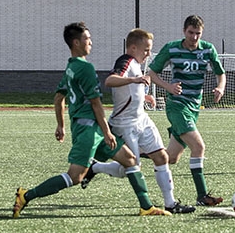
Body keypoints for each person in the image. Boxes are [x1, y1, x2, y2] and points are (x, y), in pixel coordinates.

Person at [13, 22, 170, 217]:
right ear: (76, 42)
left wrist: (61, 125)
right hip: (88, 130)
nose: (91, 42)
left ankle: (146, 207)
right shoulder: (85, 68)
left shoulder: (71, 67)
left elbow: (58, 97)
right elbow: (96, 104)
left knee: (130, 160)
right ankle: (26, 195)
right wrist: (106, 132)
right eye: (87, 39)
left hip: (89, 127)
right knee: (75, 177)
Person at [80, 28, 195, 214]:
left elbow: (131, 91)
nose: (149, 53)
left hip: (142, 119)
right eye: (146, 49)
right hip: (124, 124)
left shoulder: (135, 62)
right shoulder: (125, 60)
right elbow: (110, 80)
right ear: (133, 47)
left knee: (162, 157)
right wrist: (135, 79)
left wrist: (144, 98)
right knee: (130, 168)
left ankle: (171, 203)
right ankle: (96, 167)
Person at [147, 14, 226, 206]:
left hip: (193, 107)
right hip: (177, 105)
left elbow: (220, 73)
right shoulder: (172, 48)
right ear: (184, 31)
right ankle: (202, 196)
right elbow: (152, 73)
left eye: (198, 33)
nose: (194, 37)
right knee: (198, 147)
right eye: (191, 33)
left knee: (170, 158)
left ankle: (127, 157)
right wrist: (169, 87)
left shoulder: (208, 49)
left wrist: (220, 88)